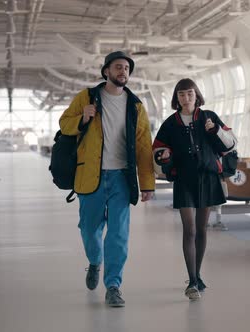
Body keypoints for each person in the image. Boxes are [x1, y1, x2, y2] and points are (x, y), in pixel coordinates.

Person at [59, 51, 155, 307]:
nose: (123, 71)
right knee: (89, 229)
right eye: (118, 67)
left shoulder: (135, 106)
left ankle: (113, 285)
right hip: (91, 175)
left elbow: (144, 146)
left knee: (119, 234)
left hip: (122, 178)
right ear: (106, 71)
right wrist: (83, 117)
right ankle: (94, 261)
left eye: (126, 68)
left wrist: (147, 184)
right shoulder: (87, 97)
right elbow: (64, 123)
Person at [152, 78, 235, 300]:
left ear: (196, 95)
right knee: (189, 230)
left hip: (207, 178)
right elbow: (157, 149)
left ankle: (198, 276)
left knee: (202, 229)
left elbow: (231, 144)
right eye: (181, 94)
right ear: (176, 98)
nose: (185, 98)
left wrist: (215, 130)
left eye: (189, 93)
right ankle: (191, 280)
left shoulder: (209, 117)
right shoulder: (170, 123)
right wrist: (163, 155)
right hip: (184, 180)